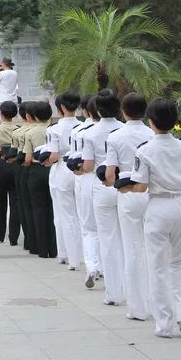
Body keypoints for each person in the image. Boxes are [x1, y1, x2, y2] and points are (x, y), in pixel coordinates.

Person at [130, 98, 181, 339]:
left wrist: (124, 186)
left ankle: (164, 324)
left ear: (151, 122)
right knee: (180, 262)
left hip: (158, 206)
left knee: (158, 267)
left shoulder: (145, 150)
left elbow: (140, 187)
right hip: (180, 204)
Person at [105, 92, 153, 322]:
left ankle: (138, 307)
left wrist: (113, 183)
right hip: (153, 193)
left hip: (129, 192)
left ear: (123, 111)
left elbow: (109, 173)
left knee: (132, 249)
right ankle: (156, 303)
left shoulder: (116, 137)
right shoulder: (153, 133)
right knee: (154, 250)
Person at [81, 89, 126, 305]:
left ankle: (113, 291)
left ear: (96, 110)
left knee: (107, 239)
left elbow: (88, 166)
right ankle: (129, 285)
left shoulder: (90, 133)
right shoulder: (125, 130)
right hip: (126, 187)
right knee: (128, 238)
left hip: (102, 187)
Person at [46, 91, 83, 272]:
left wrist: (45, 161)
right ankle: (81, 254)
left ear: (60, 108)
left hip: (61, 169)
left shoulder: (54, 129)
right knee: (80, 213)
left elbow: (53, 155)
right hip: (80, 170)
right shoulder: (82, 126)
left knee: (63, 214)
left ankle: (69, 256)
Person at [72, 96, 102, 287]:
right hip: (115, 181)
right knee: (109, 230)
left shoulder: (82, 131)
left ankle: (92, 265)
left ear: (87, 112)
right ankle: (107, 267)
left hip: (88, 178)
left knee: (89, 228)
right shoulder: (119, 129)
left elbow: (80, 163)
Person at [22, 101, 57, 258]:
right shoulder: (55, 130)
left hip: (36, 171)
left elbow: (28, 159)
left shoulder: (30, 133)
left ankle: (41, 248)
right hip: (53, 170)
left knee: (38, 209)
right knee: (54, 209)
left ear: (33, 116)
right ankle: (55, 248)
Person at [0, 101, 21, 246]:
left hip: (1, 164)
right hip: (15, 164)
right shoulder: (19, 129)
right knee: (15, 201)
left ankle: (0, 233)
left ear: (1, 113)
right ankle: (14, 236)